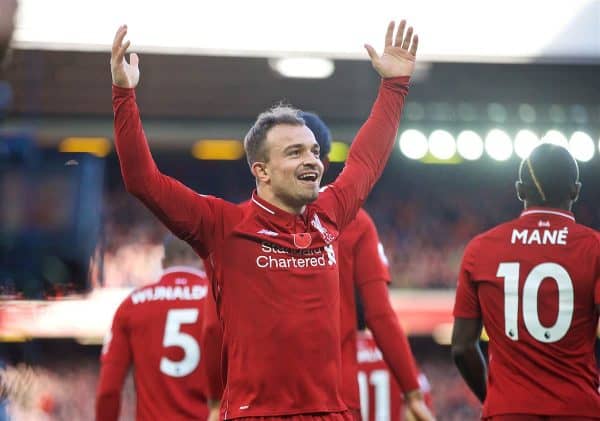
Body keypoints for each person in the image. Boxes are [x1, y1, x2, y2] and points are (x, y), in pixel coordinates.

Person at [110, 19, 418, 420]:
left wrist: (394, 87)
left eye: (312, 151)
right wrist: (123, 94)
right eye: (294, 153)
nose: (311, 160)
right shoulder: (223, 226)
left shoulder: (331, 214)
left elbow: (366, 158)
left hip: (330, 413)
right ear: (262, 171)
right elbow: (142, 180)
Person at [201, 113, 434, 421]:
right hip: (335, 399)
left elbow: (213, 326)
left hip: (258, 405)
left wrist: (217, 398)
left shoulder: (236, 227)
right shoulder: (356, 222)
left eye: (310, 151)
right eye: (295, 151)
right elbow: (379, 314)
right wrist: (411, 390)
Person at [451, 143, 600, 420]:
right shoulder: (594, 248)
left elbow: (461, 348)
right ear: (575, 190)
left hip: (507, 410)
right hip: (579, 410)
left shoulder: (481, 250)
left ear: (520, 190)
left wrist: (495, 400)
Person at [95, 236, 210, 421]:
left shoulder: (132, 304)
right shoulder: (223, 302)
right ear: (204, 259)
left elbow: (108, 391)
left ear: (163, 262)